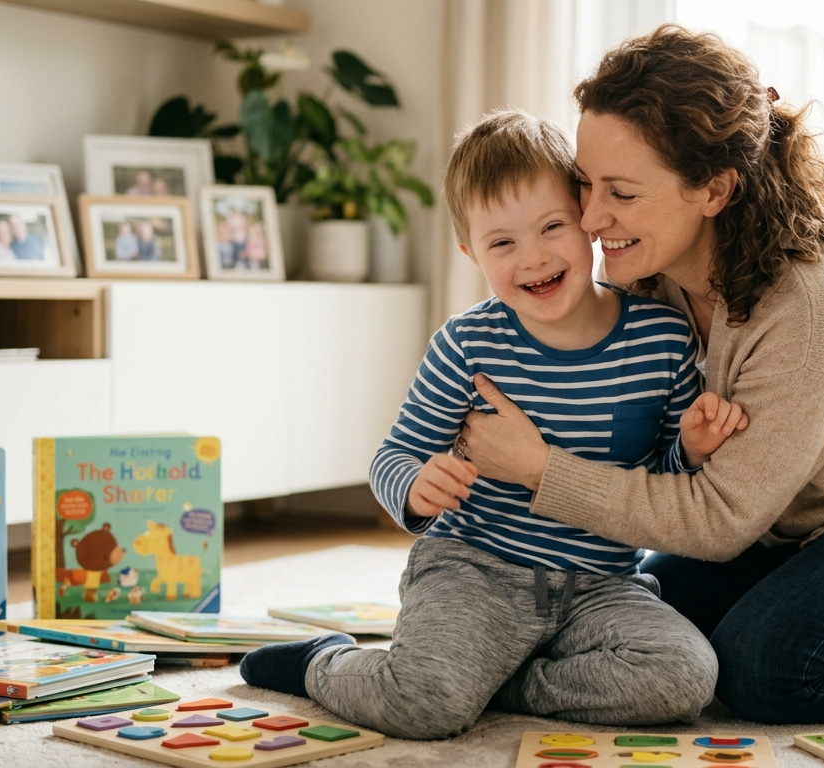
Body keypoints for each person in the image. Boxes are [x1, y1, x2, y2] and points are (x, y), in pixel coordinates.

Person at [454, 25, 824, 726]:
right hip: (800, 521)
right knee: (635, 611)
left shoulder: (812, 300)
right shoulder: (653, 273)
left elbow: (717, 522)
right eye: (584, 184)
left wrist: (540, 470)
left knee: (766, 668)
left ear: (714, 190)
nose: (589, 218)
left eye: (620, 192)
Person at [239, 110, 751, 739]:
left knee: (685, 676)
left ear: (588, 223)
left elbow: (658, 482)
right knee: (423, 705)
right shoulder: (466, 345)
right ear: (470, 251)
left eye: (551, 228)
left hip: (600, 585)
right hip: (474, 568)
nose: (532, 257)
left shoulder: (661, 339)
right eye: (502, 243)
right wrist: (416, 484)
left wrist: (693, 451)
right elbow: (394, 454)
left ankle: (501, 683)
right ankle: (323, 662)